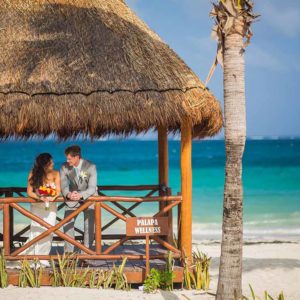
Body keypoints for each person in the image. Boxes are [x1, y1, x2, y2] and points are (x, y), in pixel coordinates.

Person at [60, 145, 98, 253]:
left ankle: (86, 253)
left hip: (89, 197)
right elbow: (63, 185)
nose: (67, 161)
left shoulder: (91, 166)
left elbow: (92, 188)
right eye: (66, 158)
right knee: (66, 223)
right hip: (72, 198)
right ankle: (69, 253)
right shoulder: (64, 167)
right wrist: (68, 194)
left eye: (69, 158)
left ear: (77, 157)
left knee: (89, 225)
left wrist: (81, 195)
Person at [25, 153, 60, 266]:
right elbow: (29, 192)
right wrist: (40, 197)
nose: (53, 163)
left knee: (49, 230)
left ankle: (43, 257)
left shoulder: (56, 173)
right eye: (51, 162)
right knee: (36, 229)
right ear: (46, 164)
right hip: (37, 206)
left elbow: (58, 190)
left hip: (51, 207)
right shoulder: (33, 173)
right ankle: (32, 256)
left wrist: (52, 197)